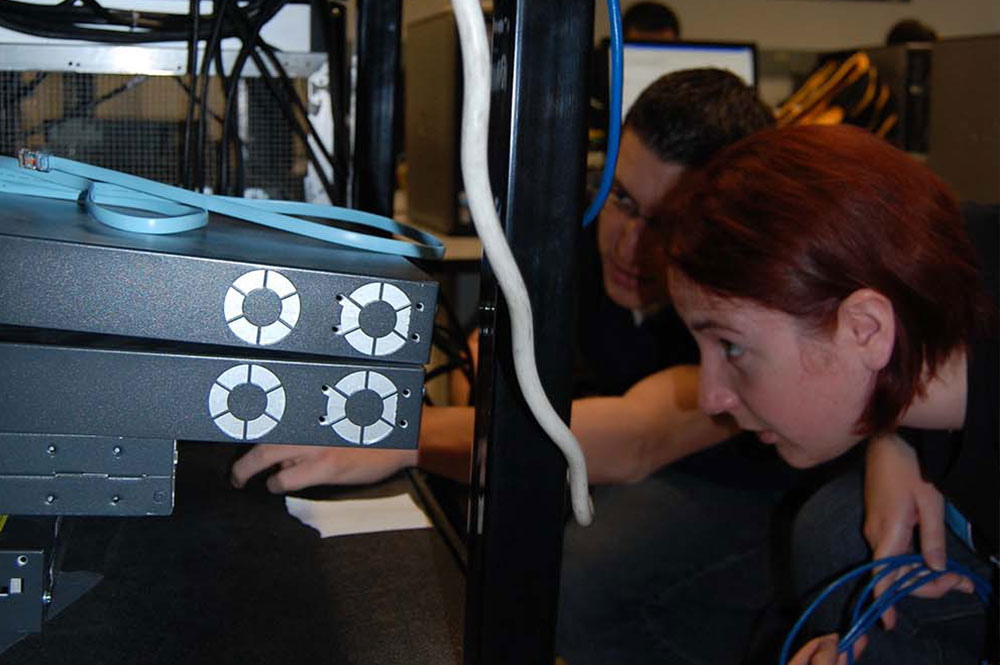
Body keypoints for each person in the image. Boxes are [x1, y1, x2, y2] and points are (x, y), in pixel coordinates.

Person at [231, 69, 799, 663]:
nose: (631, 245)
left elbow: (640, 438)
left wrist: (400, 439)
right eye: (622, 199)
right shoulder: (586, 237)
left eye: (668, 222)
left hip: (742, 491)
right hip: (627, 461)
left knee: (573, 580)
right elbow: (491, 341)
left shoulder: (742, 302)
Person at [658, 123, 998, 665]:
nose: (711, 398)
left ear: (865, 327)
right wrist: (895, 438)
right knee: (836, 533)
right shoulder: (958, 251)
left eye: (731, 347)